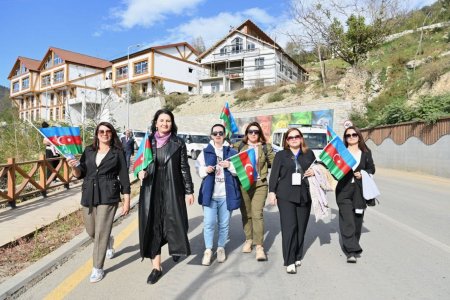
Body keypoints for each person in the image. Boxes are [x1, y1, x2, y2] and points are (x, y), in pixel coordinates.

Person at [67, 122, 131, 283]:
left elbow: (124, 176)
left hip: (108, 194)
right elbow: (80, 173)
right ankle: (108, 241)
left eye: (108, 131)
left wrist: (126, 199)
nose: (104, 134)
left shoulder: (118, 152)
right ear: (96, 134)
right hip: (89, 193)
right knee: (91, 231)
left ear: (112, 134)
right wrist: (73, 167)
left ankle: (97, 268)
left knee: (101, 231)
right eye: (101, 131)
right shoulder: (89, 150)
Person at [137, 109, 195, 285]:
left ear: (172, 123)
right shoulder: (147, 142)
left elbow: (184, 167)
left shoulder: (178, 143)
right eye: (161, 120)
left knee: (175, 222)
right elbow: (139, 163)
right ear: (156, 123)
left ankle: (175, 247)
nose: (164, 123)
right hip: (151, 188)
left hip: (172, 187)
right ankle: (156, 267)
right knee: (153, 226)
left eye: (168, 121)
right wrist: (140, 172)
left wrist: (189, 190)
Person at [268, 128, 316, 274]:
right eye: (290, 137)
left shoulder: (309, 153)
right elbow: (274, 174)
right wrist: (272, 192)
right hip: (285, 195)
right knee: (289, 227)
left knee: (301, 227)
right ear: (287, 141)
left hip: (304, 195)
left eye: (297, 136)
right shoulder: (281, 155)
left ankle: (297, 255)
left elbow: (319, 168)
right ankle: (289, 260)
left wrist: (315, 171)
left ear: (301, 138)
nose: (294, 139)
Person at [196, 124, 241, 266]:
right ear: (211, 136)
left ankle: (221, 247)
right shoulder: (206, 152)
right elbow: (198, 169)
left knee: (224, 224)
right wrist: (205, 170)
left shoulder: (231, 152)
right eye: (215, 133)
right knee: (209, 223)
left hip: (226, 195)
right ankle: (208, 250)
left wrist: (230, 166)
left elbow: (239, 170)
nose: (218, 135)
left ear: (224, 135)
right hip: (210, 195)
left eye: (220, 133)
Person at [233, 122, 275, 261]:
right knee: (246, 213)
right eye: (250, 131)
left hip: (260, 183)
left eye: (256, 132)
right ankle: (249, 239)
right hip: (244, 183)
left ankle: (259, 246)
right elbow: (227, 156)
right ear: (247, 133)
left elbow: (275, 162)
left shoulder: (265, 147)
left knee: (257, 213)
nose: (253, 134)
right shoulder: (239, 146)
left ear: (259, 134)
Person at [335, 126, 375, 263]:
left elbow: (372, 169)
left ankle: (353, 243)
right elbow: (334, 170)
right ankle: (351, 251)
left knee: (357, 221)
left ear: (359, 136)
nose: (351, 137)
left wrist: (363, 173)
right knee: (348, 220)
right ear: (345, 138)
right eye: (348, 135)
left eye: (354, 135)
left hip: (359, 190)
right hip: (344, 190)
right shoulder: (341, 152)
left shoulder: (366, 152)